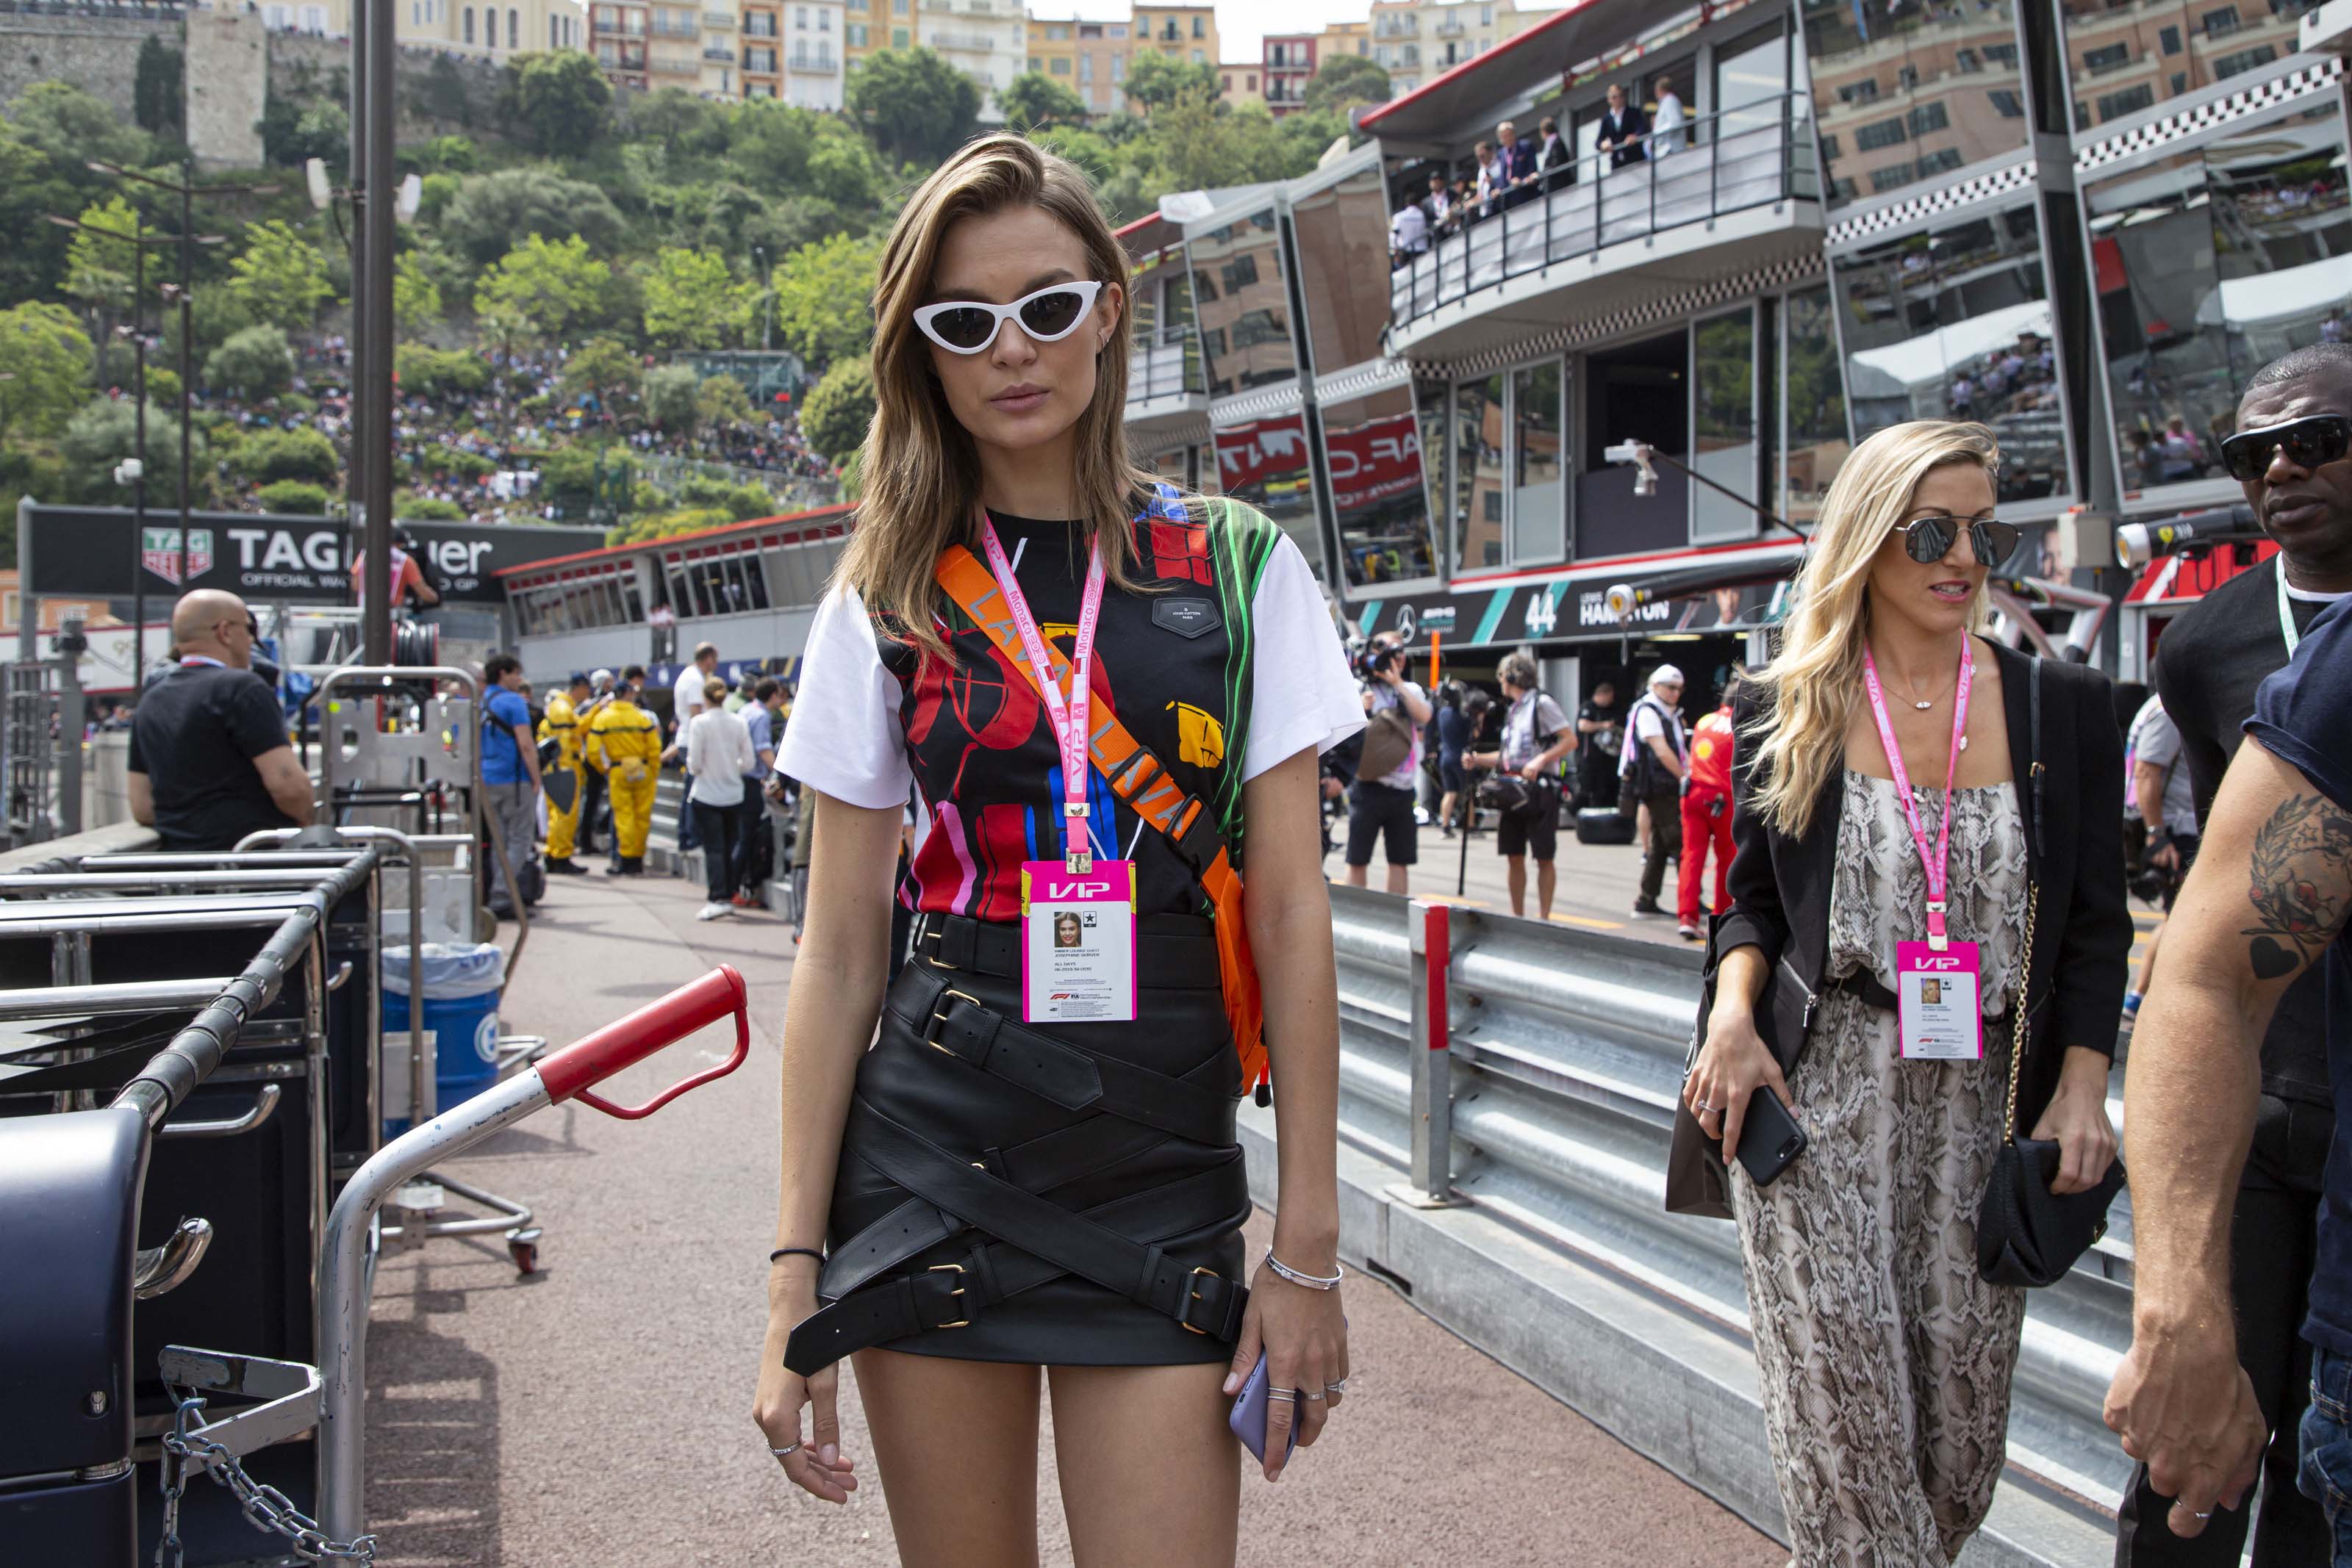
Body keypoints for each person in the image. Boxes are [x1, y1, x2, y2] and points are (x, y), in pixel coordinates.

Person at [753, 136, 1358, 1556]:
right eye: (964, 322)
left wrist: (1308, 1250)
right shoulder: (883, 591)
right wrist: (793, 1275)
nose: (1010, 349)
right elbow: (838, 952)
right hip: (925, 1154)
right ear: (924, 352)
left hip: (1158, 1149)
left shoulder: (1241, 564)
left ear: (1109, 310)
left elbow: (1290, 909)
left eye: (1046, 304)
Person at [1687, 419, 2127, 1564]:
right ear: (1868, 539)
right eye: (1934, 529)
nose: (1965, 556)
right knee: (1850, 1457)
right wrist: (1733, 1016)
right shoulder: (1792, 702)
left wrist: (2084, 1085)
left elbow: (2092, 927)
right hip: (1820, 1102)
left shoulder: (2062, 706)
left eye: (1990, 530)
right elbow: (1748, 902)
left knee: (1953, 1466)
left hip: (1984, 1113)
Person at [2111, 344, 2352, 1565]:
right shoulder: (2206, 642)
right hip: (2255, 1100)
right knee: (2190, 1468)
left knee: (2324, 1469)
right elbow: (2214, 925)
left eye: (2318, 439)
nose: (2285, 468)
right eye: (2254, 452)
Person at [127, 589, 313, 851]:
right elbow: (289, 786)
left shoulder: (151, 700)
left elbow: (142, 807)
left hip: (182, 866)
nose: (250, 642)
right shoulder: (243, 688)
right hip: (254, 861)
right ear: (225, 631)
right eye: (248, 631)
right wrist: (306, 820)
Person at [1463, 652, 1573, 919]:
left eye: (1501, 676)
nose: (1500, 682)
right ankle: (1518, 916)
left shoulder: (1542, 703)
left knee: (1544, 856)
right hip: (1512, 791)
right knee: (1513, 855)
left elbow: (1570, 740)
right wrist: (1477, 760)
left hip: (1539, 790)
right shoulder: (1514, 709)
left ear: (1513, 676)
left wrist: (1540, 760)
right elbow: (1506, 757)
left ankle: (1544, 917)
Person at [2120, 688, 2198, 1022]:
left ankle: (2140, 996)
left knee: (2176, 918)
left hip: (2177, 828)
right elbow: (2146, 772)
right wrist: (2157, 837)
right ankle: (2149, 999)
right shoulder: (2169, 709)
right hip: (2174, 832)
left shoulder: (2170, 705)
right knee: (2183, 919)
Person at [1345, 629, 1433, 895]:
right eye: (1390, 652)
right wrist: (1361, 706)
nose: (1397, 658)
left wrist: (1397, 684)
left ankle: (1396, 921)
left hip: (1403, 791)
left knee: (1399, 861)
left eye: (1400, 652)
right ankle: (1357, 916)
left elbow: (1425, 716)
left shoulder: (1410, 690)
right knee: (1358, 858)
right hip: (1368, 786)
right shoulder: (1360, 687)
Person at [684, 676, 757, 921]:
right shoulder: (739, 722)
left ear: (705, 697)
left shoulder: (699, 723)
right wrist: (732, 767)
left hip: (706, 793)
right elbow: (749, 762)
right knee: (729, 846)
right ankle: (728, 894)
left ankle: (717, 898)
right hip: (733, 794)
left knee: (713, 848)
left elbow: (694, 765)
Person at [479, 652, 542, 918]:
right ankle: (503, 895)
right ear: (503, 674)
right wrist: (536, 778)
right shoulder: (513, 702)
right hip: (514, 779)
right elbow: (526, 744)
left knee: (499, 841)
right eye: (516, 673)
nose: (520, 679)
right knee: (520, 839)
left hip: (486, 779)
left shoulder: (481, 701)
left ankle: (497, 893)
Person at [1622, 664, 1688, 918]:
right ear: (1655, 685)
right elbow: (1661, 750)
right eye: (1670, 688)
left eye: (1679, 689)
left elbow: (1680, 749)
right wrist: (1685, 777)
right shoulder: (1648, 710)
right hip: (1657, 786)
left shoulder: (1668, 711)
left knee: (1660, 846)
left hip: (1667, 784)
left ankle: (1646, 900)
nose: (1675, 693)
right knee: (1680, 843)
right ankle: (1689, 901)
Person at [1677, 675, 1739, 942]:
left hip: (1693, 795)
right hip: (1724, 799)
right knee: (1727, 857)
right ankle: (1721, 915)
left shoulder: (1704, 721)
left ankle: (1687, 917)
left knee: (1692, 855)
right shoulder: (1740, 726)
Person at [587, 669, 660, 875]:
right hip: (643, 768)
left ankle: (625, 858)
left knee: (623, 816)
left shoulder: (603, 719)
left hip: (618, 770)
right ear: (628, 694)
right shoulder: (642, 718)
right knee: (642, 816)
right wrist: (653, 770)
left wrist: (605, 768)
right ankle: (637, 858)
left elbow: (593, 750)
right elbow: (655, 747)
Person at [737, 676, 786, 906]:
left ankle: (740, 887)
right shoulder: (761, 716)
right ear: (773, 695)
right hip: (752, 780)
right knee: (750, 836)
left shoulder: (747, 710)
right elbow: (763, 750)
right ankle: (744, 888)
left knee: (743, 835)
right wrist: (779, 774)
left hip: (739, 779)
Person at [539, 672, 592, 876]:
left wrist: (596, 710)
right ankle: (560, 857)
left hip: (560, 769)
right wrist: (567, 770)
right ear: (579, 687)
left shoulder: (563, 708)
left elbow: (577, 729)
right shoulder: (562, 708)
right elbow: (564, 745)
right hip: (564, 769)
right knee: (565, 815)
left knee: (560, 815)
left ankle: (556, 854)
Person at [673, 641, 720, 851]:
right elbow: (695, 714)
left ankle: (686, 836)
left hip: (686, 739)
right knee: (694, 791)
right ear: (708, 658)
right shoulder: (694, 680)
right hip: (691, 741)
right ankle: (691, 837)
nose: (716, 664)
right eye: (715, 659)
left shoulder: (688, 675)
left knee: (689, 790)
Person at [351, 525, 441, 611]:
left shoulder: (365, 555)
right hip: (391, 615)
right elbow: (423, 592)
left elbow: (355, 585)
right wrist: (435, 597)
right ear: (401, 544)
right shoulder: (405, 560)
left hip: (365, 613)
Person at [575, 667, 615, 859]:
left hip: (610, 757)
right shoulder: (589, 706)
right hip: (592, 760)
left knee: (608, 800)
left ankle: (596, 833)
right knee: (590, 800)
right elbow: (581, 727)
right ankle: (585, 841)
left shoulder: (612, 704)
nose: (610, 685)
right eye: (607, 682)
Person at [1576, 678, 1624, 808]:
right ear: (1603, 694)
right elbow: (1583, 726)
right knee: (1587, 791)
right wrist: (1603, 725)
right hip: (1588, 759)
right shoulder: (1588, 707)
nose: (1611, 701)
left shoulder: (1610, 710)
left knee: (1604, 792)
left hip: (1606, 760)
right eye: (1610, 697)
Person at [1435, 682, 1472, 836]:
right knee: (1468, 793)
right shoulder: (1464, 716)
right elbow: (1473, 735)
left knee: (1450, 793)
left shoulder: (1442, 712)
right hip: (1461, 758)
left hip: (1445, 757)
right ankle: (1470, 827)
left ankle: (1445, 826)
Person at [1596, 82, 1649, 169]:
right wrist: (1603, 144)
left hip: (1635, 157)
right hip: (1617, 162)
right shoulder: (1607, 119)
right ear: (1609, 100)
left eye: (1620, 96)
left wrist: (1635, 136)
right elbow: (1598, 141)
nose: (1617, 99)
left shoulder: (1633, 112)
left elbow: (1642, 128)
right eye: (1614, 97)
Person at [1494, 119, 1538, 211]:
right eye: (1504, 136)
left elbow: (1532, 168)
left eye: (1510, 135)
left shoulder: (1525, 146)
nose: (1508, 138)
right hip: (1509, 198)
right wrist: (1498, 188)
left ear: (1514, 134)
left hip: (1526, 193)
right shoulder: (1501, 154)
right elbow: (1501, 176)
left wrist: (1521, 180)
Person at [1649, 74, 1686, 157]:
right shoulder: (1665, 102)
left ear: (1660, 90)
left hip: (1670, 149)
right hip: (1664, 150)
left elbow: (1675, 123)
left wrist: (1657, 132)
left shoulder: (1670, 100)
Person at [1534, 115, 1571, 193]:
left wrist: (1540, 174)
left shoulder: (1556, 142)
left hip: (1560, 185)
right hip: (1553, 185)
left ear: (1544, 131)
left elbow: (1555, 164)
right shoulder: (1551, 143)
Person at [1389, 196, 1429, 267]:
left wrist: (1395, 251)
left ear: (1406, 204)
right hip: (1421, 250)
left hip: (1405, 251)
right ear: (1419, 204)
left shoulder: (1399, 216)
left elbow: (1394, 235)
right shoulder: (1423, 215)